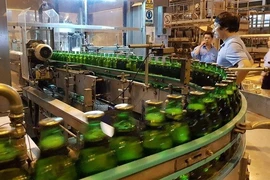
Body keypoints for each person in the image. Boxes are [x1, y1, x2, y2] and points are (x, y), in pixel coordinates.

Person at [213, 12, 253, 85]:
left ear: (225, 27)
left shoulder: (232, 44)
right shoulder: (236, 40)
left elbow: (246, 66)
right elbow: (250, 61)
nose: (213, 30)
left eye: (215, 26)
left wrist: (231, 86)